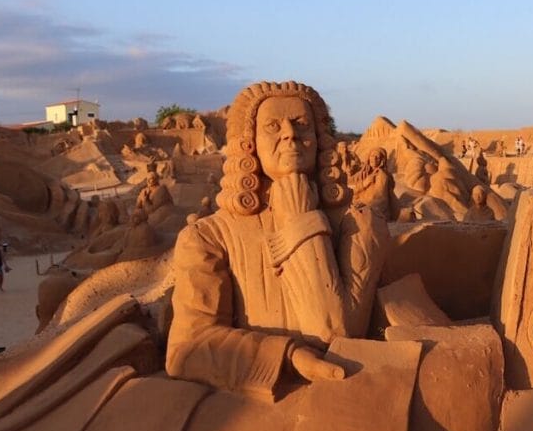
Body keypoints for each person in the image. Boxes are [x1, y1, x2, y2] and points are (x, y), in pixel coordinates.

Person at [167, 80, 390, 394]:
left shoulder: (361, 224)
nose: (290, 133)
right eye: (273, 126)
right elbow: (187, 349)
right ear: (250, 143)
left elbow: (336, 335)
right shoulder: (207, 236)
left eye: (301, 124)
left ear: (319, 139)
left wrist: (300, 220)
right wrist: (286, 355)